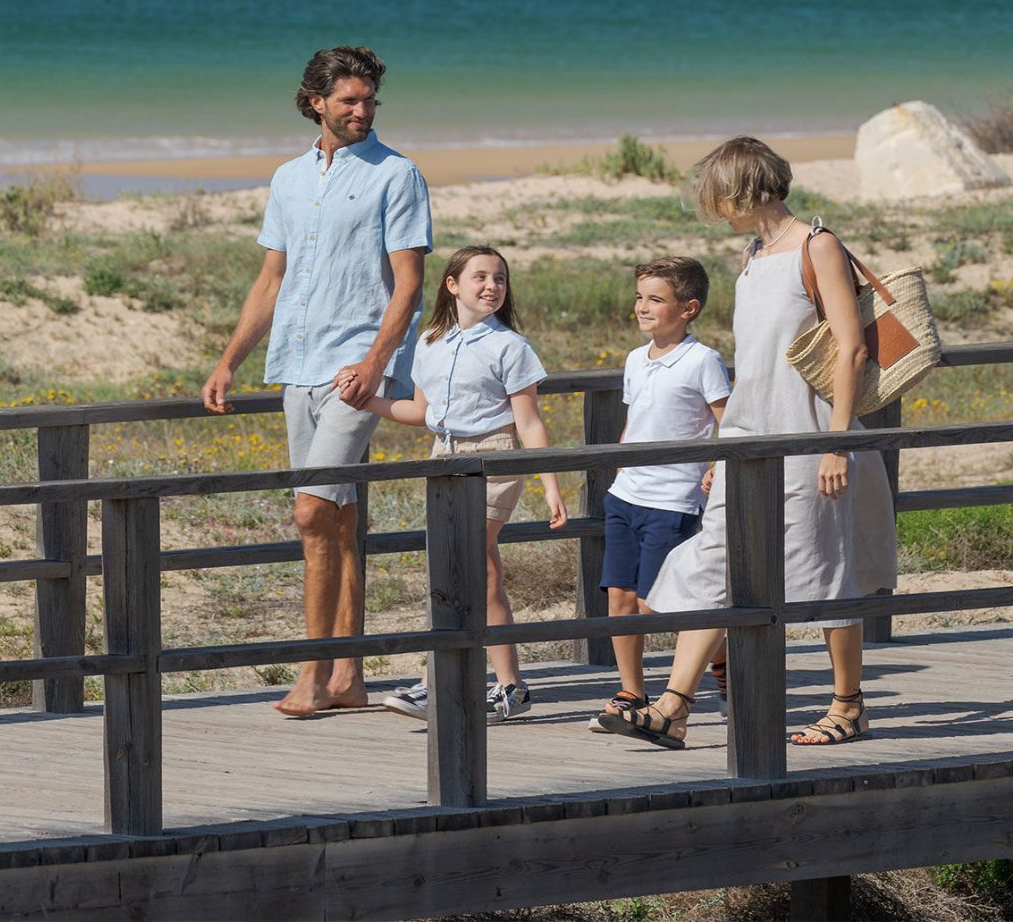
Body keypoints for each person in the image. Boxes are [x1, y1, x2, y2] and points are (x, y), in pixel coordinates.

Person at [595, 137, 896, 750]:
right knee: (713, 565)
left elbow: (851, 348)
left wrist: (837, 444)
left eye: (717, 195)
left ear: (742, 189)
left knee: (827, 570)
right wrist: (721, 450)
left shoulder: (818, 246)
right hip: (746, 441)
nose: (712, 208)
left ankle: (849, 706)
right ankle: (674, 708)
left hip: (810, 437)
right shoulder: (753, 255)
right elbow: (755, 366)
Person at [201, 46, 432, 717]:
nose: (363, 110)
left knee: (308, 512)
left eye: (370, 100)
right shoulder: (288, 178)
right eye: (349, 100)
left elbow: (410, 285)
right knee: (337, 516)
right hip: (295, 366)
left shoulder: (397, 175)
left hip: (357, 373)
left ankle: (312, 673)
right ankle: (349, 677)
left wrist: (375, 363)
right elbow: (271, 279)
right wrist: (228, 361)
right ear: (316, 102)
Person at [341, 245, 568, 724]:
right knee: (479, 571)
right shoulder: (430, 343)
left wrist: (551, 484)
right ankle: (509, 687)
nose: (492, 286)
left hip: (494, 456)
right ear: (452, 285)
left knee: (464, 564)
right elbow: (420, 412)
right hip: (444, 455)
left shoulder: (511, 347)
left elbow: (529, 422)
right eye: (480, 277)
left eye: (499, 278)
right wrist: (368, 402)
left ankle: (436, 684)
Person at [591, 258, 730, 730]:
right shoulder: (635, 358)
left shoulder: (702, 360)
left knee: (658, 603)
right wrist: (620, 465)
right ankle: (631, 691)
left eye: (656, 299)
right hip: (626, 494)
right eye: (639, 297)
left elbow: (728, 421)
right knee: (619, 596)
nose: (642, 307)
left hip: (673, 500)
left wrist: (717, 466)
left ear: (689, 308)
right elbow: (636, 421)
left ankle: (721, 659)